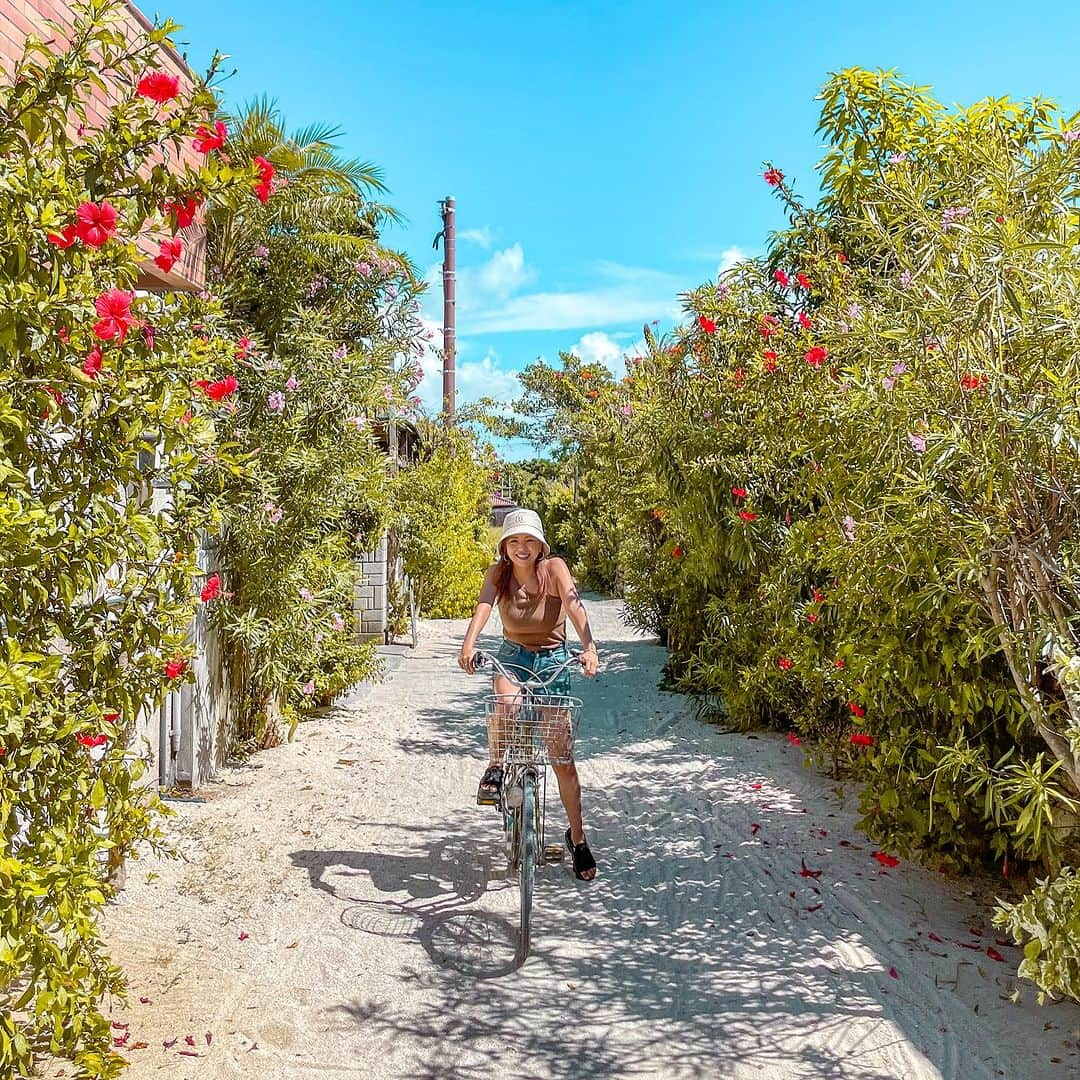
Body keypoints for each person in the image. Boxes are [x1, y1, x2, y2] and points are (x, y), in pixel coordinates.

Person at [458, 508, 599, 881]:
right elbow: (484, 607)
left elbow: (573, 604)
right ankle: (495, 767)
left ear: (540, 545)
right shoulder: (498, 574)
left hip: (553, 658)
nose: (522, 547)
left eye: (529, 541)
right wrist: (468, 645)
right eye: (514, 541)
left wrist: (589, 647)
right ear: (505, 546)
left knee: (561, 757)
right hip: (513, 655)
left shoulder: (553, 569)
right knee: (505, 704)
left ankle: (578, 839)